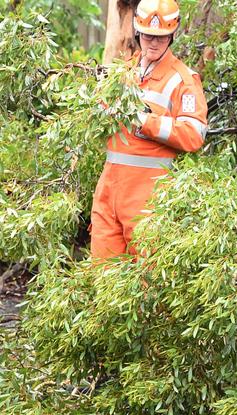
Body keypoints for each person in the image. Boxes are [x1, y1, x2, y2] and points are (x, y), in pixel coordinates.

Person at [90, 0, 208, 258]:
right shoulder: (124, 73)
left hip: (149, 198)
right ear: (137, 32)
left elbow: (194, 133)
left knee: (145, 283)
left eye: (161, 38)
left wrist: (146, 121)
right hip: (109, 191)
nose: (153, 43)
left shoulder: (183, 80)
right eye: (148, 36)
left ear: (172, 35)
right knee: (102, 276)